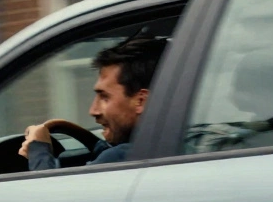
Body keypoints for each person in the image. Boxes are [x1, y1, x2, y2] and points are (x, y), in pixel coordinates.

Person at [20, 35, 168, 170]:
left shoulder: (122, 156)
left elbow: (50, 195)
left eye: (104, 97)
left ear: (140, 101)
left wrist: (38, 151)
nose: (93, 111)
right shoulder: (168, 146)